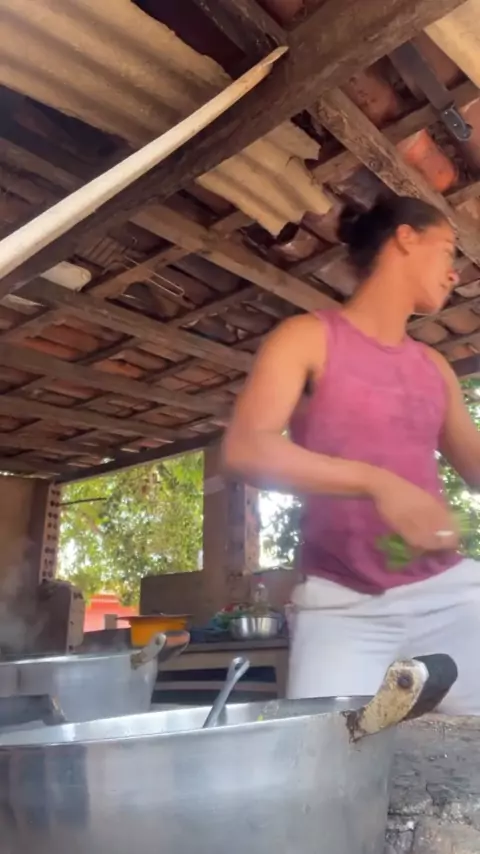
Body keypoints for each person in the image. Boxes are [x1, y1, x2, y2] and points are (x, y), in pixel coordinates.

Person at [222, 195, 480, 715]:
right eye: (448, 250)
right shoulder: (305, 338)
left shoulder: (434, 367)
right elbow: (247, 447)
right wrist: (377, 482)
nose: (455, 273)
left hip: (449, 595)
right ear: (405, 237)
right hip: (340, 605)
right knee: (326, 755)